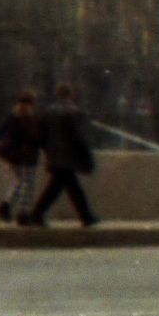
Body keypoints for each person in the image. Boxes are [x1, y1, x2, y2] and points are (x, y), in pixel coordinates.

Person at [31, 83, 98, 228]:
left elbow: (39, 136)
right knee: (64, 188)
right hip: (70, 157)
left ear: (57, 95)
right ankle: (37, 214)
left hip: (54, 156)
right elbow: (81, 138)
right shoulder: (75, 113)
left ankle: (86, 216)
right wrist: (87, 159)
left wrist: (48, 150)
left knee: (66, 187)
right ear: (71, 95)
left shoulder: (47, 113)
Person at [0, 90, 43, 226]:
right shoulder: (30, 119)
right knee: (27, 185)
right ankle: (22, 214)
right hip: (26, 157)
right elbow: (34, 137)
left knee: (18, 182)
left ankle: (6, 204)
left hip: (12, 157)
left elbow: (1, 133)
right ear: (31, 104)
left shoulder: (13, 116)